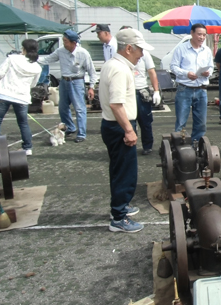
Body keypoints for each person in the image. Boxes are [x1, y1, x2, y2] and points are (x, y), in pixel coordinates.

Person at [100, 29, 154, 233]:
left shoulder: (113, 65)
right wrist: (129, 131)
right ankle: (118, 217)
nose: (141, 55)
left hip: (113, 125)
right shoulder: (120, 69)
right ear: (129, 48)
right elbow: (116, 104)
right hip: (118, 126)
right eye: (140, 50)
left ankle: (121, 207)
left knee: (118, 170)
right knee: (125, 173)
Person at [38, 29, 97, 143]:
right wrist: (32, 58)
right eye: (63, 41)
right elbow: (47, 59)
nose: (64, 43)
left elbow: (92, 71)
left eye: (66, 41)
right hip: (64, 82)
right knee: (62, 108)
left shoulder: (83, 53)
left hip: (77, 82)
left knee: (79, 108)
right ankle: (70, 127)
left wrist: (91, 87)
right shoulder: (61, 51)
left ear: (74, 42)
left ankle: (81, 133)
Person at [0, 39, 42, 157]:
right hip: (22, 97)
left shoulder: (12, 58)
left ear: (23, 48)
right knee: (23, 123)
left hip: (4, 92)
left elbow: (0, 72)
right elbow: (33, 84)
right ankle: (27, 147)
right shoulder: (37, 67)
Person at [170, 23, 214, 143]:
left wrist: (208, 72)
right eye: (199, 34)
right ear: (192, 33)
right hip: (185, 88)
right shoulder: (181, 48)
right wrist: (186, 73)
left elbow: (211, 67)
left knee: (201, 122)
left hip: (201, 89)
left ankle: (196, 145)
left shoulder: (207, 50)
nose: (202, 37)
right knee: (181, 121)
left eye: (204, 35)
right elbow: (173, 66)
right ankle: (179, 146)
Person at [134, 45, 161, 156]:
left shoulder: (144, 53)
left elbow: (151, 72)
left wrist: (156, 91)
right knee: (128, 122)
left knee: (145, 121)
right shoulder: (120, 53)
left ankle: (147, 146)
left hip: (140, 90)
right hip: (126, 91)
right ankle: (130, 146)